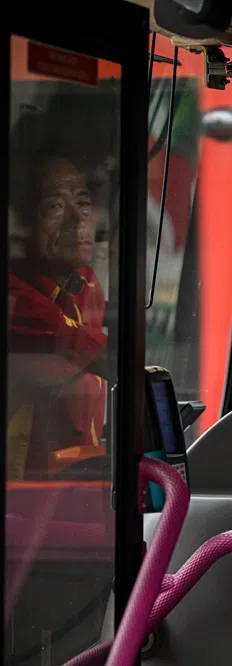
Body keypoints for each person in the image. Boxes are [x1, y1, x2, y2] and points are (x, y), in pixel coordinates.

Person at [7, 155, 108, 480]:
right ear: (19, 224)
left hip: (74, 482)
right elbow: (100, 356)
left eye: (84, 203)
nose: (79, 219)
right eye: (55, 207)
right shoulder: (15, 293)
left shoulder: (86, 283)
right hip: (23, 501)